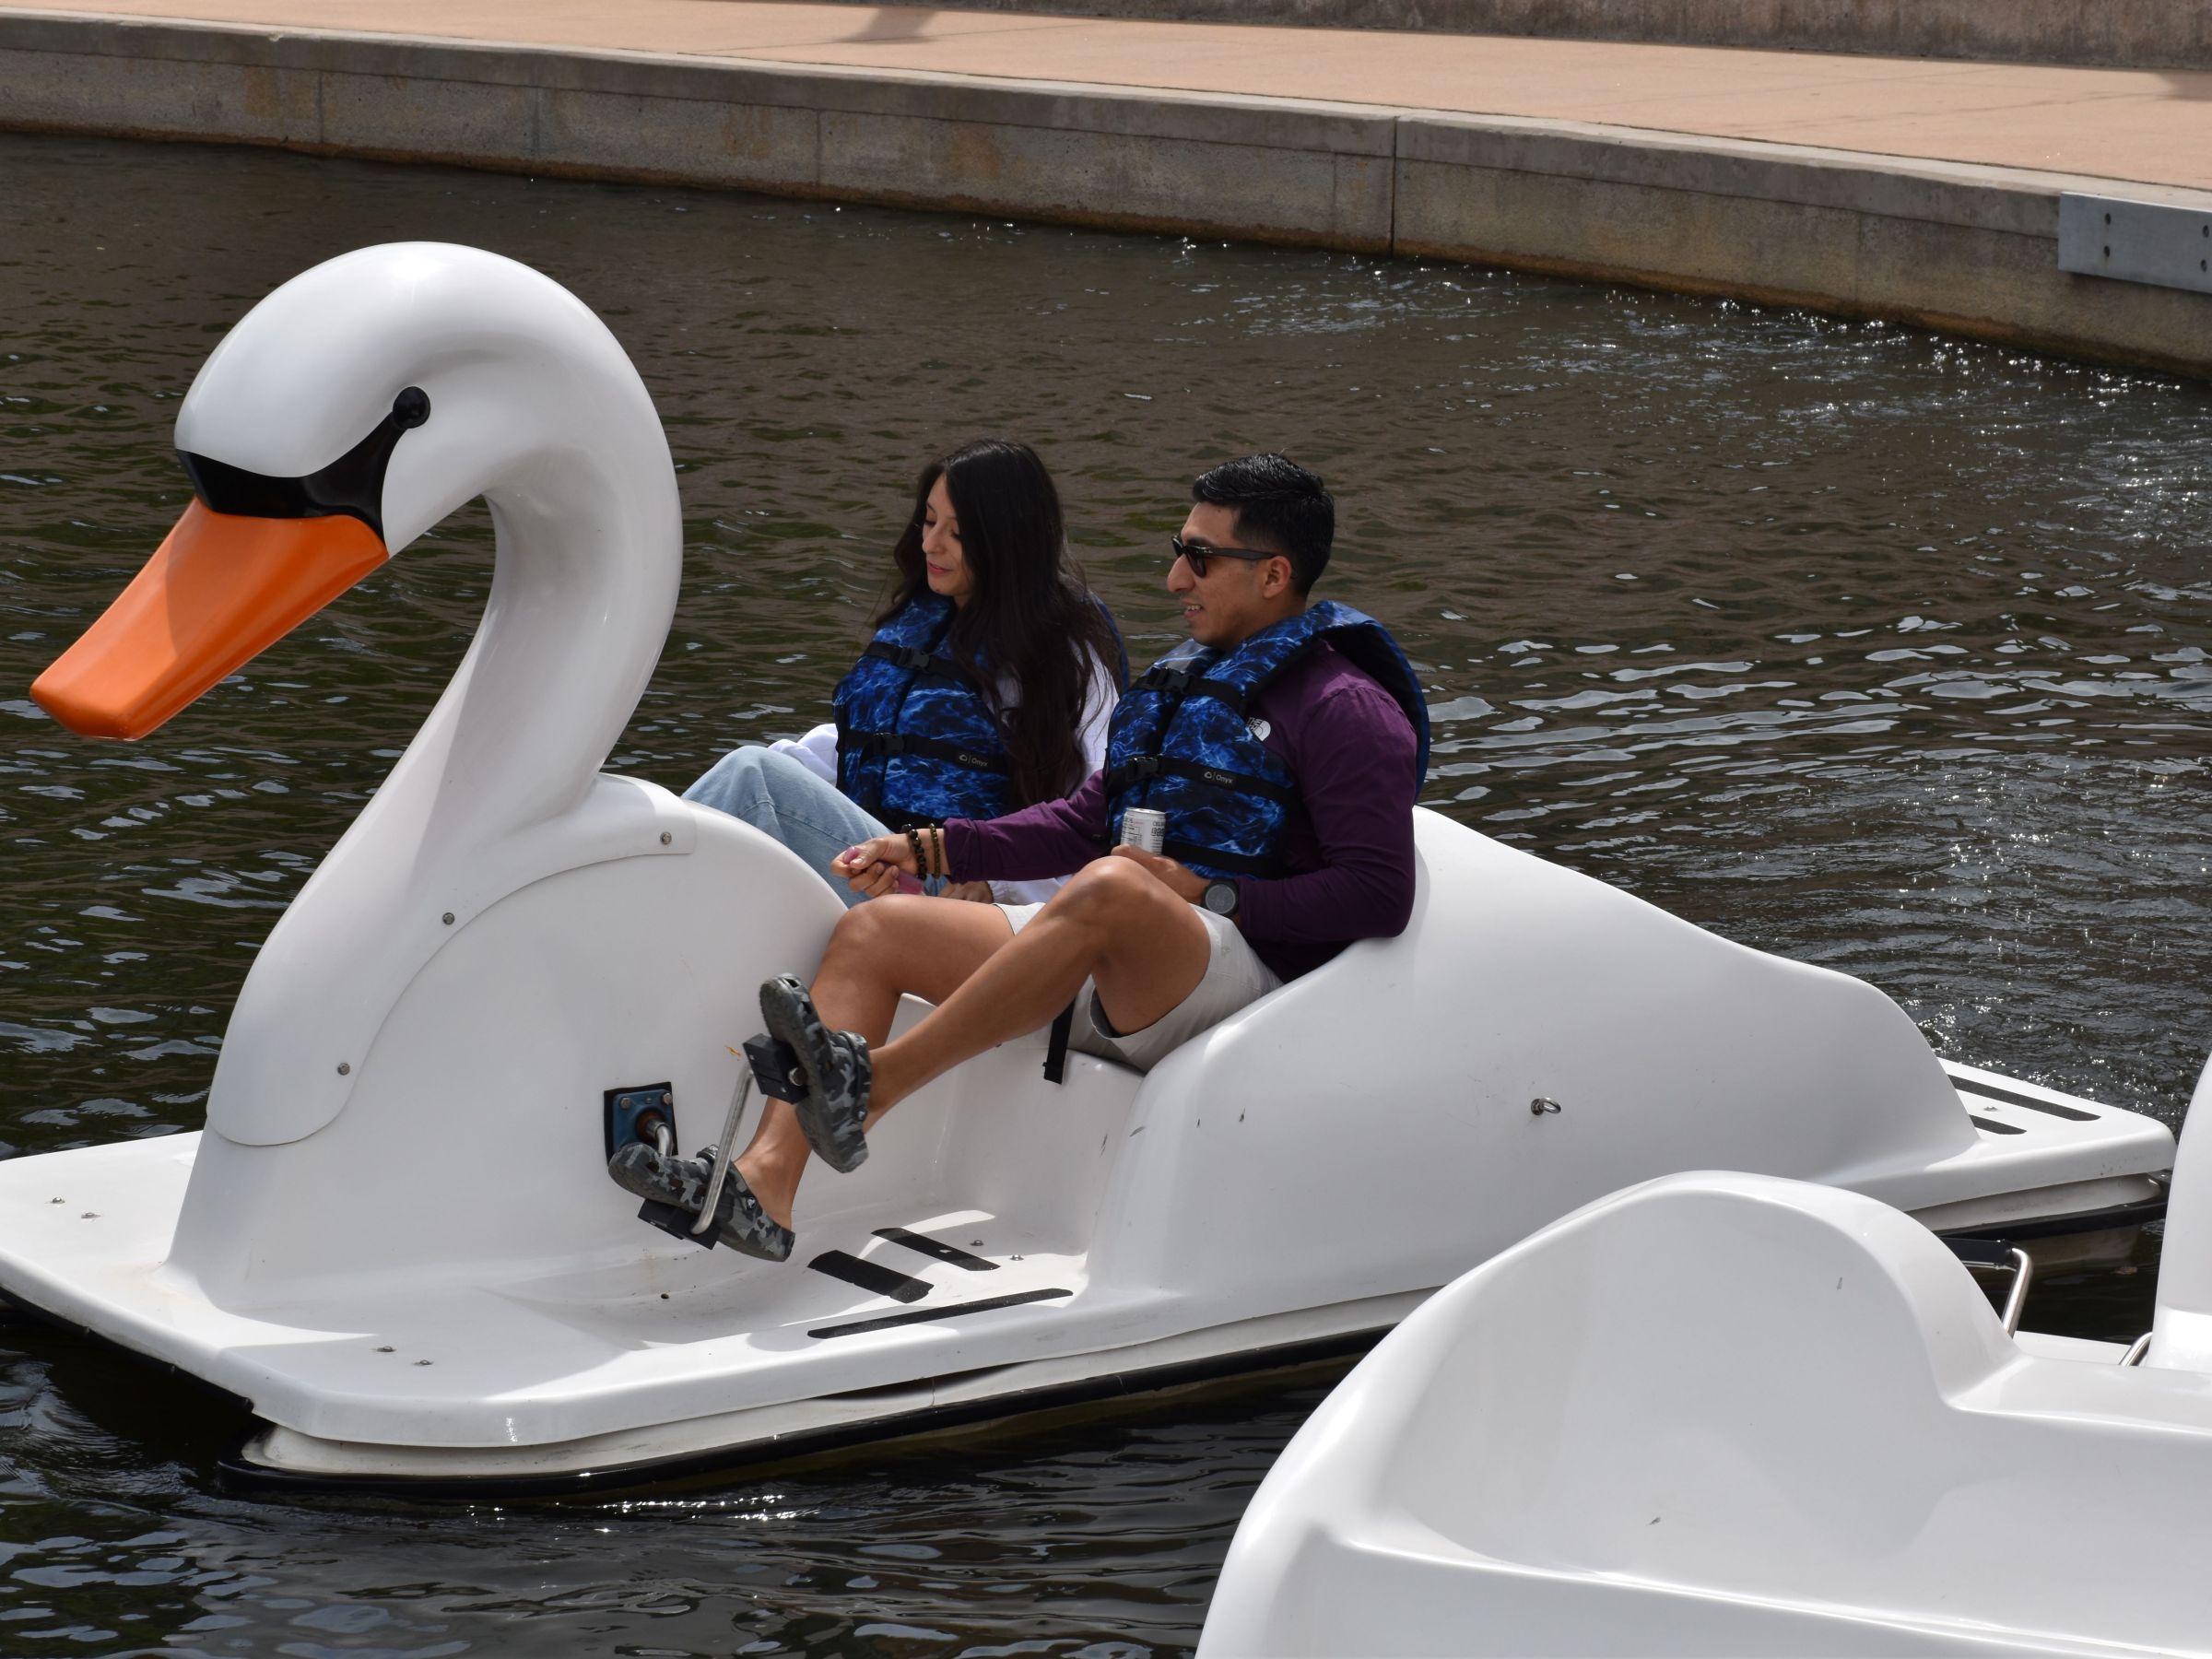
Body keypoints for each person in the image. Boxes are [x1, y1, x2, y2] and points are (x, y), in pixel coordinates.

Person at [614, 454, 1430, 1261]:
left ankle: (879, 1083)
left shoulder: (1346, 707)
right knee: (881, 931)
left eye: (1200, 557)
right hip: (1130, 958)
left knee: (1112, 883)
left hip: (1243, 985)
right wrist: (930, 845)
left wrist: (1212, 893)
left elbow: (1379, 894)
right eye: (1178, 550)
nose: (1176, 578)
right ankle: (764, 1185)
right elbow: (1083, 819)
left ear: (1274, 574)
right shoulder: (1194, 684)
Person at [684, 438, 1125, 906]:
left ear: (1008, 539)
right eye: (929, 521)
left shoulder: (1063, 653)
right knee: (755, 776)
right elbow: (871, 743)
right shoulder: (920, 625)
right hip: (873, 861)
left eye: (958, 533)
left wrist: (998, 883)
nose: (931, 542)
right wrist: (798, 776)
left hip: (954, 889)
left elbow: (1103, 805)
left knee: (753, 779)